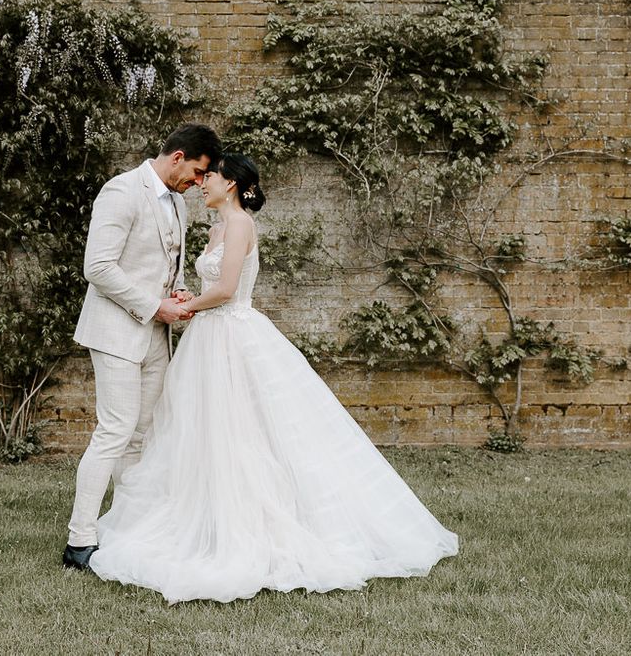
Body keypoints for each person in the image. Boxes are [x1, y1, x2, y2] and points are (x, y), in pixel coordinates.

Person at [88, 152, 458, 601]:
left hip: (232, 337)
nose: (202, 184)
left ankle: (251, 523)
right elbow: (213, 285)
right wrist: (189, 294)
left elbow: (225, 291)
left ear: (233, 185)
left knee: (244, 432)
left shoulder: (240, 224)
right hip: (209, 338)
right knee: (204, 432)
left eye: (211, 178)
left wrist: (184, 307)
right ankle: (203, 515)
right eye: (202, 176)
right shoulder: (217, 227)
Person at [63, 124, 222, 571]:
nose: (196, 183)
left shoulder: (177, 204)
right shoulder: (120, 191)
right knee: (114, 431)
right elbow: (98, 266)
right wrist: (154, 306)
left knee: (143, 436)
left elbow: (166, 268)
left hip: (156, 336)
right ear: (177, 157)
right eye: (195, 172)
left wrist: (179, 294)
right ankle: (79, 540)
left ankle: (128, 527)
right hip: (115, 332)